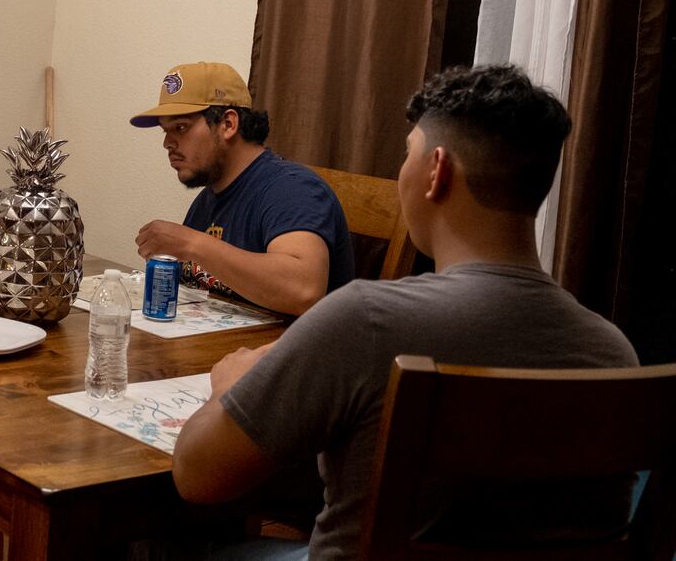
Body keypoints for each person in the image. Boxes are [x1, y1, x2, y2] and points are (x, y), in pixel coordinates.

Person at [170, 65, 639, 560]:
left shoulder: (367, 322)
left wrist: (231, 387)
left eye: (407, 154)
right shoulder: (613, 351)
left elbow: (197, 476)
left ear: (437, 171)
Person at [130, 62, 353, 316]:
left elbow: (303, 290)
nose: (167, 143)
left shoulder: (293, 188)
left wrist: (192, 243)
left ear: (228, 124)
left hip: (288, 353)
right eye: (165, 131)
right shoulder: (208, 198)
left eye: (180, 128)